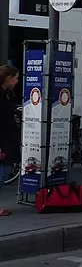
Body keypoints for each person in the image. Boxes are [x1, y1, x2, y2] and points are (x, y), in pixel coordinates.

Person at [0, 65, 19, 216]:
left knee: (4, 171)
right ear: (8, 78)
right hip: (2, 139)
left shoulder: (7, 93)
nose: (17, 81)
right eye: (16, 78)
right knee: (3, 171)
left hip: (7, 137)